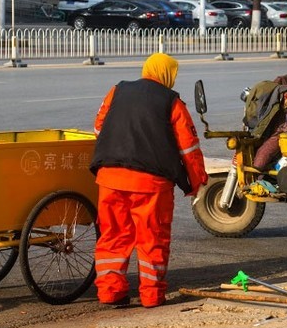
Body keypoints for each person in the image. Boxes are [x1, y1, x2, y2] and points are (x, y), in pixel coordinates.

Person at [89, 53, 207, 308]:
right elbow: (188, 148)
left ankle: (111, 292)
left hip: (110, 179)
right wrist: (197, 182)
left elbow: (99, 128)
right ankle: (152, 296)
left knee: (113, 236)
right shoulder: (171, 102)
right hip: (150, 185)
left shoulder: (117, 91)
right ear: (168, 74)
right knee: (152, 239)